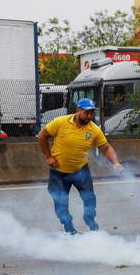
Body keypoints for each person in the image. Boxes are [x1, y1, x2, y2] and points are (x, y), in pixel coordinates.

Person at [37, 98, 123, 234]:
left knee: (89, 198)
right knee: (60, 202)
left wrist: (116, 163)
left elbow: (106, 147)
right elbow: (42, 136)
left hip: (80, 171)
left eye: (92, 113)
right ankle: (68, 227)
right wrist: (48, 157)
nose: (89, 116)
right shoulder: (60, 122)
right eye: (87, 113)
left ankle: (90, 220)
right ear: (78, 111)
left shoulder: (94, 129)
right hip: (58, 172)